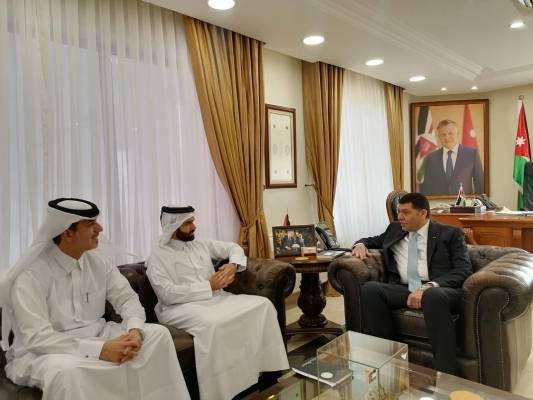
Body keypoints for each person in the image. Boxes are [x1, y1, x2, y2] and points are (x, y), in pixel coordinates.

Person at [0, 198, 190, 400]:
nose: (100, 228)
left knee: (157, 335)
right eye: (91, 224)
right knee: (69, 373)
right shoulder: (31, 275)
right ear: (67, 233)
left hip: (99, 335)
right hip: (46, 352)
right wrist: (100, 350)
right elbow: (37, 338)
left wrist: (134, 330)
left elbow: (127, 299)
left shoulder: (99, 262)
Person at [146, 206, 289, 400]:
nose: (194, 226)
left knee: (263, 305)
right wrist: (208, 286)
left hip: (216, 299)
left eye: (193, 221)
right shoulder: (157, 256)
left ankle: (268, 372)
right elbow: (167, 294)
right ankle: (223, 391)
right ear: (173, 227)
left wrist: (233, 265)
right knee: (213, 324)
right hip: (179, 308)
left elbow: (233, 248)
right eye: (188, 223)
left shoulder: (200, 244)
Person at [351, 193, 472, 374]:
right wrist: (360, 244)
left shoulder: (451, 234)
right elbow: (371, 240)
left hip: (440, 290)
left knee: (432, 296)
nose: (400, 216)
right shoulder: (394, 229)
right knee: (371, 289)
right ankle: (389, 363)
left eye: (406, 212)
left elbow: (463, 270)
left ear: (423, 213)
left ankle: (446, 375)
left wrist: (428, 286)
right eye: (399, 211)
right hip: (405, 288)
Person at [420, 119, 484, 195]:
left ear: (457, 134)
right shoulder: (431, 158)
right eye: (443, 135)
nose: (447, 138)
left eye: (450, 133)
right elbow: (427, 187)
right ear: (438, 137)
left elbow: (480, 184)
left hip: (464, 201)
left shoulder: (472, 154)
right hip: (438, 202)